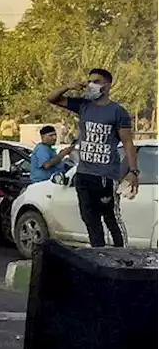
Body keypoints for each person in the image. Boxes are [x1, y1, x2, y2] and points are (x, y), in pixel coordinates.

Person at [48, 68, 140, 248]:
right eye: (89, 81)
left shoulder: (117, 111)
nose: (91, 85)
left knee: (110, 217)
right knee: (89, 217)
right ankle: (98, 252)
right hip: (84, 174)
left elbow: (128, 142)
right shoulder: (83, 105)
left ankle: (121, 255)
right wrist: (69, 86)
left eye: (96, 81)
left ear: (107, 85)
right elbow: (52, 98)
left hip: (105, 175)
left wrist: (133, 171)